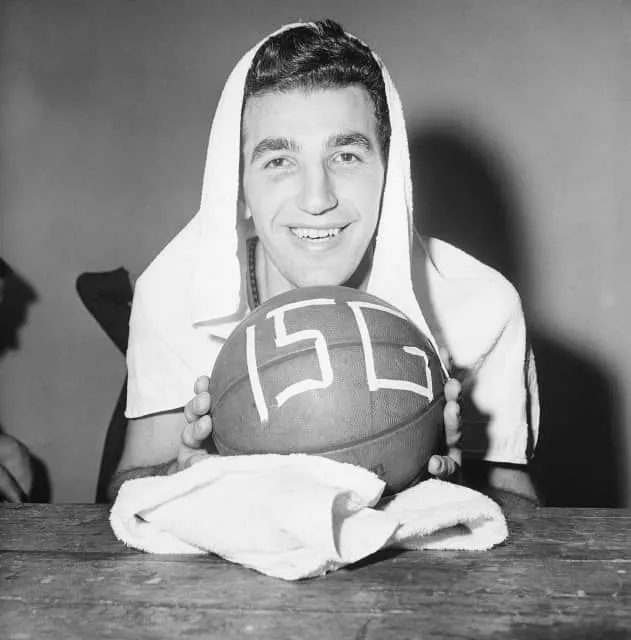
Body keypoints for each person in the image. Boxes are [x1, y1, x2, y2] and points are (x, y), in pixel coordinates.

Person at [109, 20, 540, 511]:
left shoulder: (480, 306)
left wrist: (456, 489)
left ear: (390, 172)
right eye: (279, 162)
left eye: (346, 156)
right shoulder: (173, 291)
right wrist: (183, 476)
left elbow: (522, 510)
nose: (317, 199)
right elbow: (128, 482)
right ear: (238, 186)